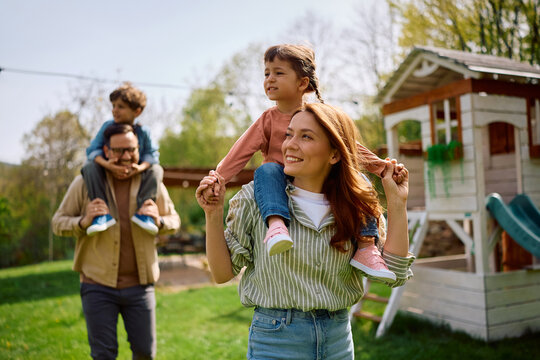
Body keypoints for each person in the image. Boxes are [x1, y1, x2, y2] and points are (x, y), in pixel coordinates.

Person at [197, 103, 414, 359]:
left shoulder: (356, 205)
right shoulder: (255, 198)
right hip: (276, 341)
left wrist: (398, 203)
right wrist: (213, 214)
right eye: (288, 134)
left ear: (334, 154)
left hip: (338, 341)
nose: (289, 145)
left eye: (306, 136)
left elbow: (396, 274)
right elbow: (222, 273)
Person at [202, 44, 403, 281]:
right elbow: (241, 151)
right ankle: (276, 226)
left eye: (278, 73)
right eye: (266, 73)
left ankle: (367, 246)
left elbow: (347, 146)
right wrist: (218, 177)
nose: (270, 79)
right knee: (266, 170)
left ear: (302, 83)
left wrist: (380, 167)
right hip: (275, 184)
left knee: (356, 181)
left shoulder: (320, 117)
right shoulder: (267, 120)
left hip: (316, 179)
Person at [52, 123, 180, 359]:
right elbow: (57, 222)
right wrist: (83, 221)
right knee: (104, 354)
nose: (126, 156)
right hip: (97, 285)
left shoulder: (151, 182)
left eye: (131, 149)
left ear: (139, 149)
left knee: (145, 353)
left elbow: (174, 219)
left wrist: (159, 221)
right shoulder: (85, 183)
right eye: (119, 150)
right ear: (106, 151)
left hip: (141, 286)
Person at [82, 82, 163, 236]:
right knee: (89, 167)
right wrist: (108, 165)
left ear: (137, 111)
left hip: (137, 171)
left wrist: (139, 168)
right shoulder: (107, 126)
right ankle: (101, 213)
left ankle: (145, 212)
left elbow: (152, 155)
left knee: (156, 170)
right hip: (107, 167)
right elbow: (92, 150)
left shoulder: (143, 132)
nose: (115, 110)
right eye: (113, 106)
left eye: (120, 107)